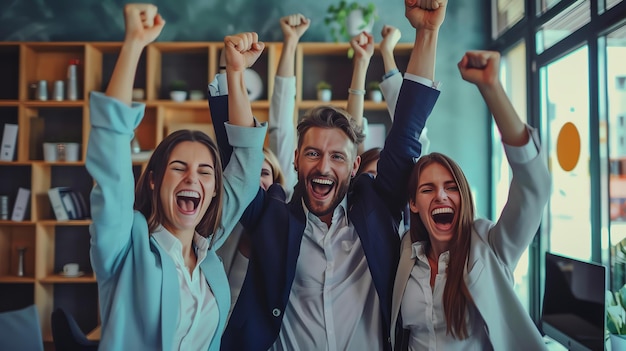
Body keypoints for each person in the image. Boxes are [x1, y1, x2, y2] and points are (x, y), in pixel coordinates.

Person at [212, 1, 447, 349]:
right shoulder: (271, 217)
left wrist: (427, 33)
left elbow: (405, 137)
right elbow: (242, 164)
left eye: (337, 157)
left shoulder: (376, 207)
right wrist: (233, 74)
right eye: (313, 153)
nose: (323, 167)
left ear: (354, 167)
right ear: (295, 160)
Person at [85, 4, 267, 350]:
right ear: (153, 180)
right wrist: (134, 45)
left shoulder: (208, 251)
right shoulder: (126, 243)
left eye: (204, 172)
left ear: (214, 191)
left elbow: (245, 163)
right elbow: (110, 155)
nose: (192, 180)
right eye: (179, 167)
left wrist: (236, 72)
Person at [390, 50, 551, 350]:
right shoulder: (405, 253)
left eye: (450, 187)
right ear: (413, 204)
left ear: (463, 196)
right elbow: (404, 140)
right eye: (427, 189)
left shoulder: (491, 247)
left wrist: (491, 88)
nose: (440, 195)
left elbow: (534, 186)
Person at [212, 13, 310, 316]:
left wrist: (290, 44)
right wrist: (233, 71)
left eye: (264, 173)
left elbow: (281, 123)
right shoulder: (222, 221)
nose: (258, 180)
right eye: (252, 173)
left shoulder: (289, 211)